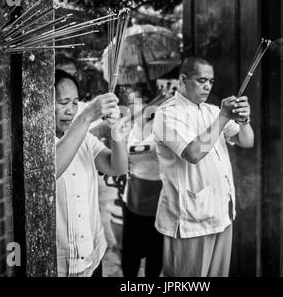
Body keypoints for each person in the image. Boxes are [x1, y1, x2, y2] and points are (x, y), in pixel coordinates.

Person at [152, 57, 254, 277]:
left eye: (211, 81)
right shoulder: (167, 114)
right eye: (201, 80)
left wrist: (244, 120)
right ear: (182, 79)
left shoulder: (210, 111)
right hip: (190, 220)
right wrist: (225, 115)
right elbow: (193, 153)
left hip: (221, 214)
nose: (208, 86)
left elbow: (246, 141)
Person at [54, 69, 128, 277]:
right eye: (63, 102)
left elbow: (118, 167)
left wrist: (115, 130)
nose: (71, 110)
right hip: (59, 266)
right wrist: (86, 116)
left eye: (75, 102)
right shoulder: (36, 145)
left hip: (92, 257)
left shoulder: (84, 139)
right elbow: (50, 171)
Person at [121, 89, 164, 277]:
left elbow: (142, 150)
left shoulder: (160, 125)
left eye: (138, 102)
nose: (134, 107)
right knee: (130, 256)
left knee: (155, 257)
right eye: (130, 104)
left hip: (158, 198)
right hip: (133, 198)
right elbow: (119, 156)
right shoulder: (125, 127)